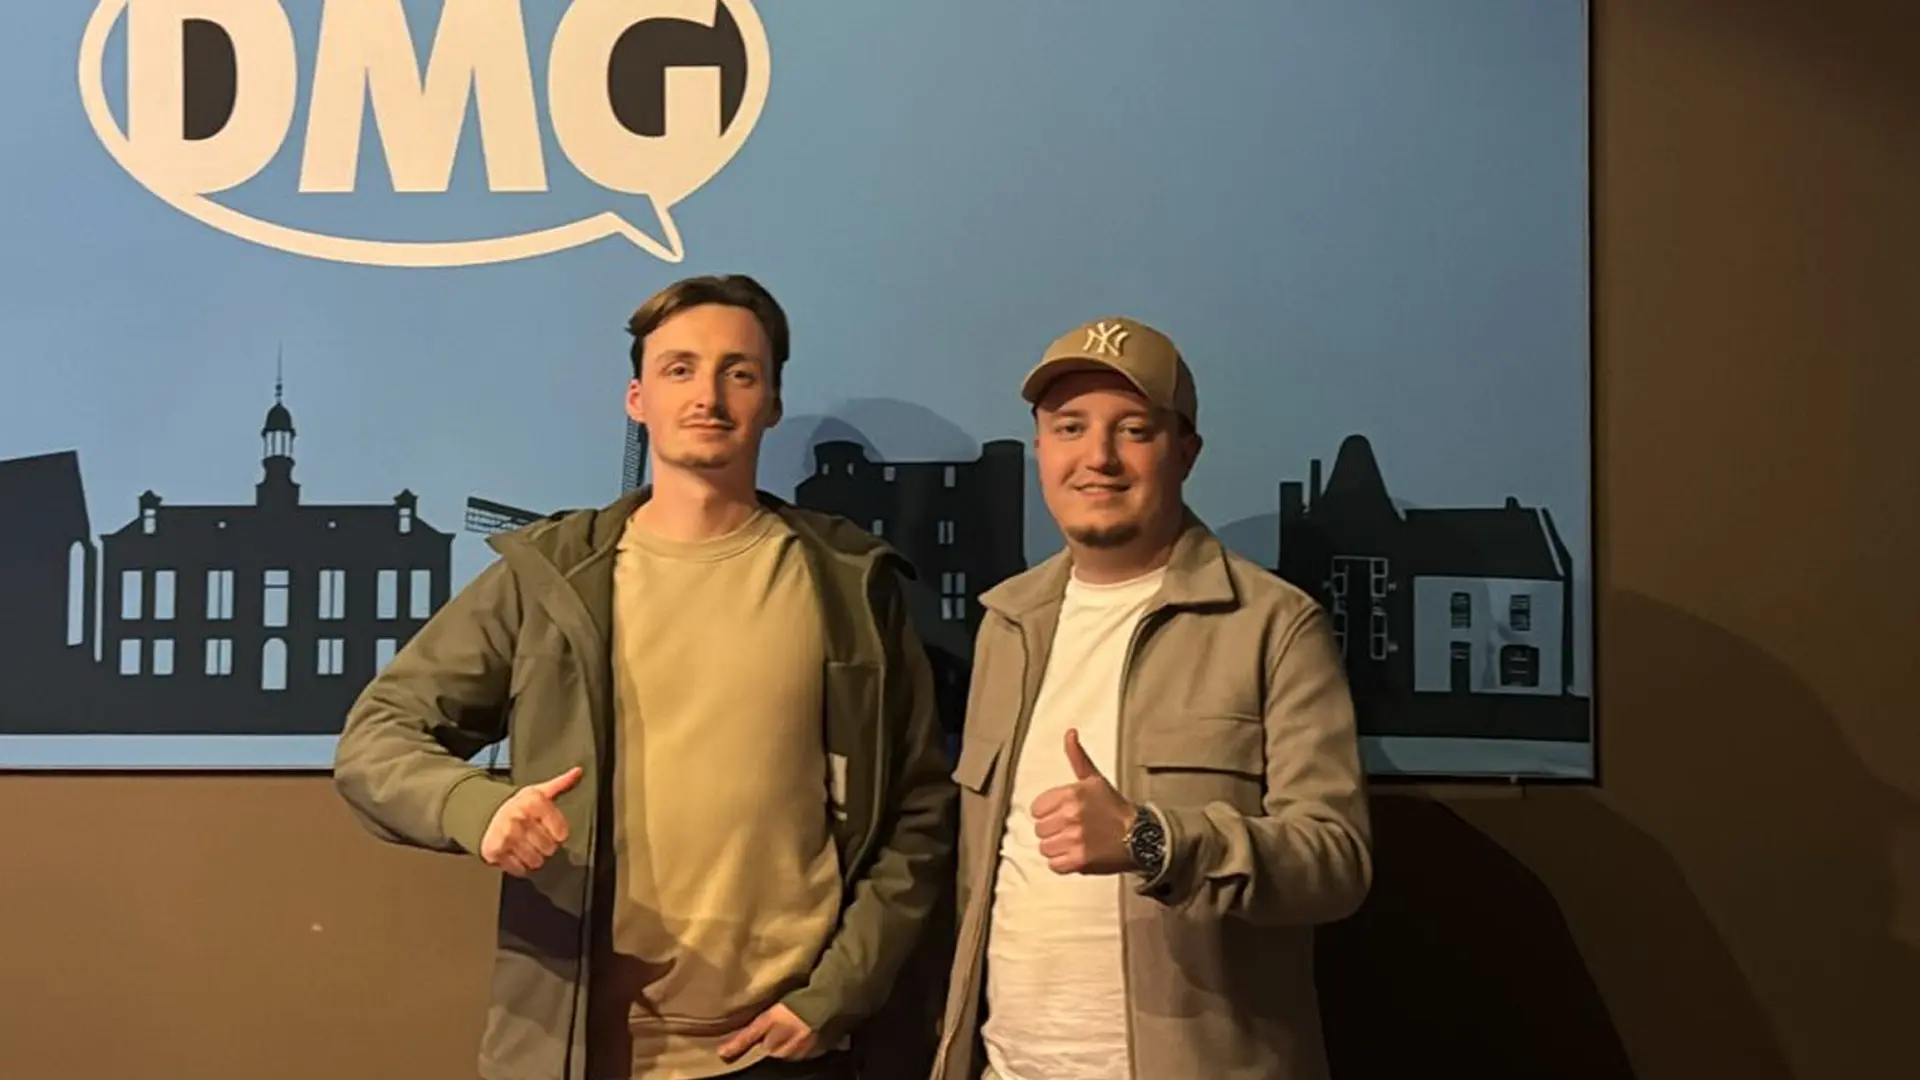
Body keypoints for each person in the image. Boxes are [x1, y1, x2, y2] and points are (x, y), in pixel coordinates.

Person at [332, 274, 956, 1080]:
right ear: (638, 399)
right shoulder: (549, 579)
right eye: (679, 369)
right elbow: (376, 740)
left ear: (771, 401)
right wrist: (477, 807)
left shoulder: (850, 583)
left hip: (789, 1051)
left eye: (739, 372)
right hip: (580, 1052)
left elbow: (917, 812)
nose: (708, 396)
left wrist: (834, 995)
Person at [930, 316, 1374, 1080]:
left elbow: (1336, 862)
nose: (1097, 457)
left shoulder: (1273, 625)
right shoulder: (1007, 623)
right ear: (1040, 447)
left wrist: (1153, 839)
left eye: (1133, 430)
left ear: (1185, 451)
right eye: (1070, 427)